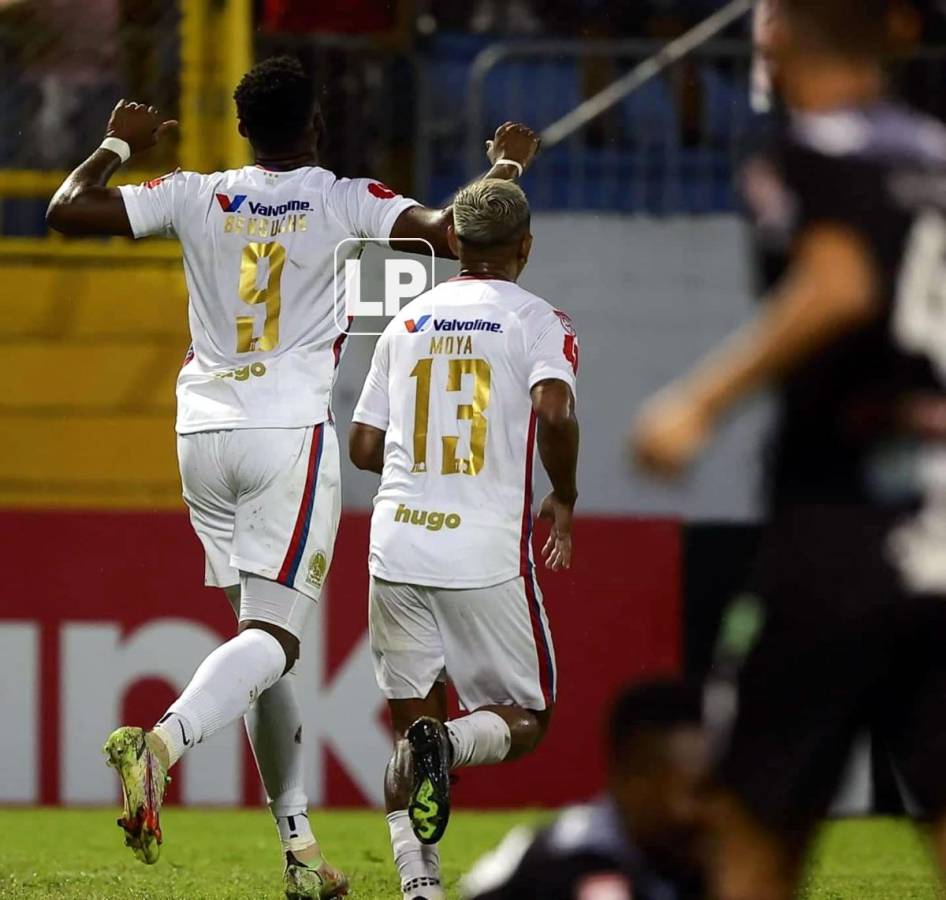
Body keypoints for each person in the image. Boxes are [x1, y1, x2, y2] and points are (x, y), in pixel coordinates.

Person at [45, 55, 540, 899]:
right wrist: (506, 167)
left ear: (241, 129)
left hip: (203, 431)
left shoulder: (193, 192)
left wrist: (116, 145)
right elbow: (461, 232)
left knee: (257, 639)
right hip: (287, 433)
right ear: (316, 125)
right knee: (273, 640)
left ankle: (299, 850)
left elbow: (66, 212)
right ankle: (159, 745)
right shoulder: (346, 198)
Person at [632, 2, 946, 898]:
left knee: (753, 818)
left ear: (769, 36)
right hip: (942, 525)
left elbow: (840, 283)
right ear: (899, 28)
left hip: (842, 527)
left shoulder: (806, 154)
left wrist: (698, 403)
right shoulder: (935, 153)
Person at [348, 178, 580, 900]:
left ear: (453, 244)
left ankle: (420, 890)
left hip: (396, 546)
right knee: (528, 718)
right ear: (525, 248)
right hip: (482, 552)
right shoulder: (540, 320)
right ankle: (448, 745)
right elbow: (556, 410)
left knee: (410, 726)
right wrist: (564, 496)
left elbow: (362, 445)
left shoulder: (405, 321)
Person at [461, 680, 709, 900]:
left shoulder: (711, 849)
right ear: (624, 777)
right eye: (672, 787)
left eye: (703, 790)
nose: (687, 809)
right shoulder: (567, 861)